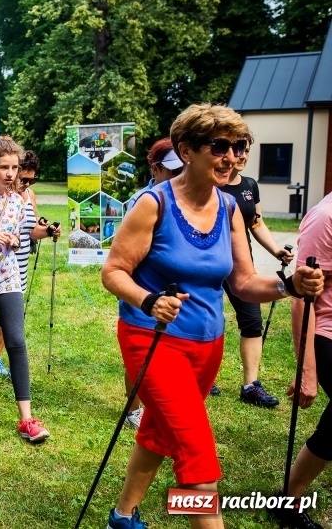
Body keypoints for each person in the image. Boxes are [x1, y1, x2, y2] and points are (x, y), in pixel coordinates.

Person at [101, 103, 323, 529]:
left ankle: (122, 516)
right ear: (187, 150)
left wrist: (288, 285)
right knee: (198, 460)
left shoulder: (229, 208)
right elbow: (113, 271)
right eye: (220, 146)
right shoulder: (153, 204)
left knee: (161, 433)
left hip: (207, 347)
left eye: (240, 147)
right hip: (154, 339)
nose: (233, 157)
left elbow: (242, 282)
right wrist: (149, 300)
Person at [0, 137, 51, 442]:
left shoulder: (18, 200)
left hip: (7, 275)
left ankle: (27, 419)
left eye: (15, 167)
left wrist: (14, 240)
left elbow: (18, 233)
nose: (11, 173)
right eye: (4, 167)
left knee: (16, 340)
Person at [267, 191, 332, 529]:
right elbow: (301, 297)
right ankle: (288, 499)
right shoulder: (326, 218)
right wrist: (307, 371)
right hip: (327, 332)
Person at [218, 133, 293, 406]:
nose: (240, 154)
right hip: (210, 264)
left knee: (252, 322)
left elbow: (256, 223)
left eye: (244, 148)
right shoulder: (211, 183)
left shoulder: (250, 185)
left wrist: (276, 251)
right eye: (234, 147)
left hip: (241, 264)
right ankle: (200, 376)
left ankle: (250, 385)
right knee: (210, 322)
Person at [122, 137, 184, 430]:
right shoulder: (140, 202)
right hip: (142, 290)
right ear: (155, 169)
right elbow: (125, 259)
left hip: (173, 292)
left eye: (182, 170)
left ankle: (160, 403)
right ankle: (133, 408)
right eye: (172, 171)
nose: (178, 177)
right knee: (138, 351)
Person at [0, 150, 60, 378]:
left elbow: (32, 229)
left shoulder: (28, 196)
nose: (26, 183)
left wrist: (47, 230)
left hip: (20, 262)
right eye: (23, 179)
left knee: (8, 315)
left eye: (31, 179)